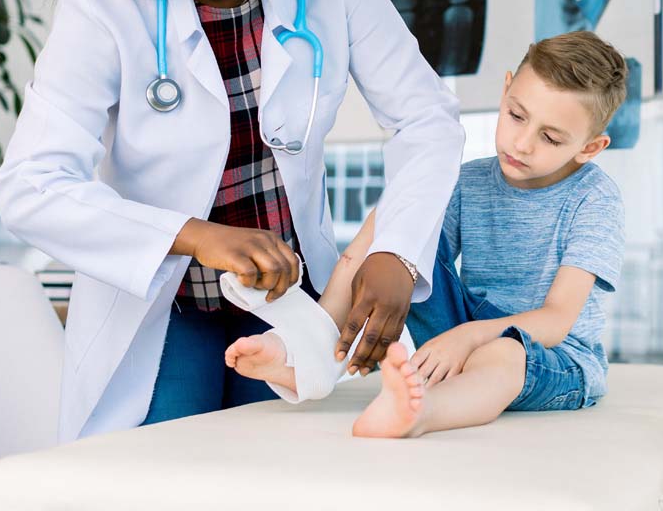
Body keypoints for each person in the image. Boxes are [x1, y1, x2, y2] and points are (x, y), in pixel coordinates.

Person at [0, 0, 464, 442]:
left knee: (283, 472)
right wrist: (197, 236)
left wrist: (399, 252)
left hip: (288, 303)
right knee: (163, 473)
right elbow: (30, 189)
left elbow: (427, 121)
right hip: (164, 305)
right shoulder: (105, 7)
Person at [225, 30, 626, 439]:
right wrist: (400, 260)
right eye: (517, 116)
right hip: (467, 328)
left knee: (504, 352)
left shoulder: (593, 198)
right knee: (399, 233)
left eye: (550, 137)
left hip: (550, 355)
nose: (521, 144)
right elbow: (408, 251)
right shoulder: (468, 181)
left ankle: (423, 412)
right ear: (505, 90)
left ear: (589, 148)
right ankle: (311, 351)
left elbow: (557, 320)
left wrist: (466, 339)